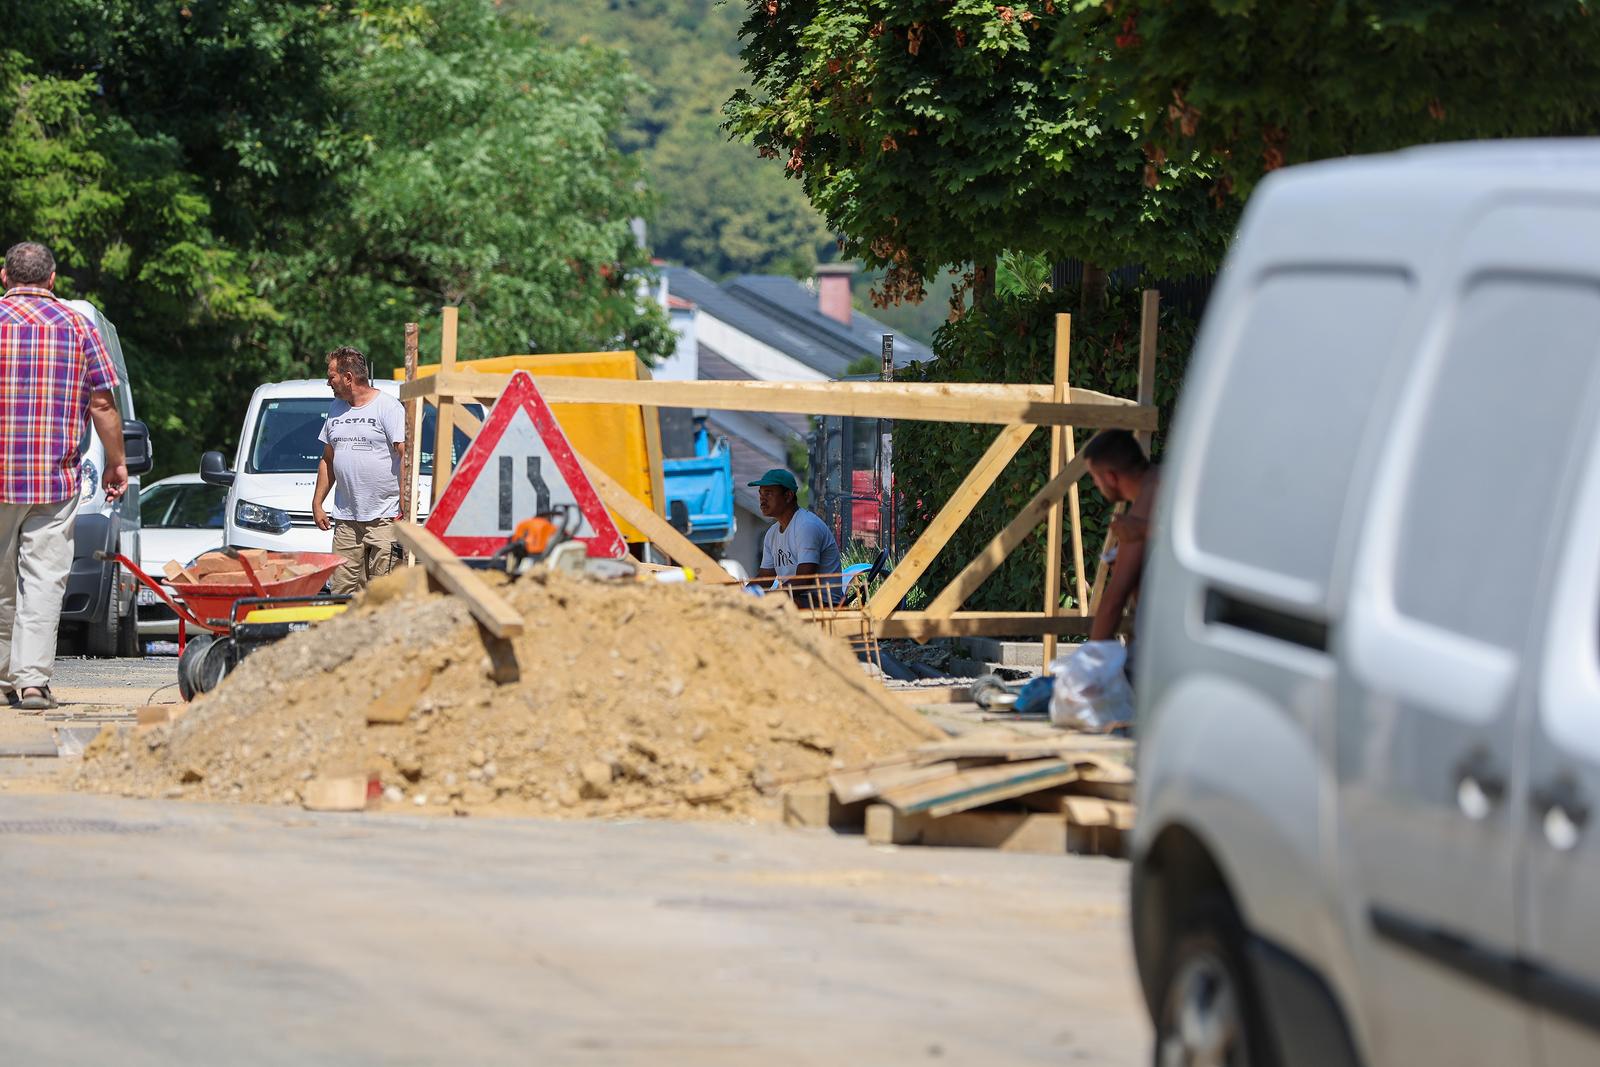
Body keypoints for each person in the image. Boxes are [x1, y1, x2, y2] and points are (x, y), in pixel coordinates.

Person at [0, 242, 127, 711]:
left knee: (0, 582)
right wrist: (116, 461)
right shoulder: (78, 327)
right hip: (53, 480)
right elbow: (102, 403)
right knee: (44, 580)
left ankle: (3, 677)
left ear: (3, 276)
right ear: (52, 279)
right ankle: (31, 681)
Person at [312, 346, 406, 595]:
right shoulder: (335, 409)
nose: (328, 382)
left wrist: (405, 503)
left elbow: (405, 455)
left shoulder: (388, 408)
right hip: (346, 522)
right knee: (341, 592)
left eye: (331, 376)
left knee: (382, 594)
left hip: (385, 518)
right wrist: (317, 503)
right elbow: (328, 459)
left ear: (348, 378)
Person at [1083, 430, 1161, 647]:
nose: (1096, 486)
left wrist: (1089, 665)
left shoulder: (1147, 499)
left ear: (1110, 477)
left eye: (1094, 478)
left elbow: (1115, 597)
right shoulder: (1164, 479)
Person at [748, 468, 842, 606]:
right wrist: (741, 596)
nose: (762, 499)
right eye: (760, 494)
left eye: (768, 493)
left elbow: (804, 580)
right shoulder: (771, 534)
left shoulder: (806, 526)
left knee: (767, 610)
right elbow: (765, 577)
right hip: (796, 599)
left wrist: (771, 599)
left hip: (822, 603)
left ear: (788, 496)